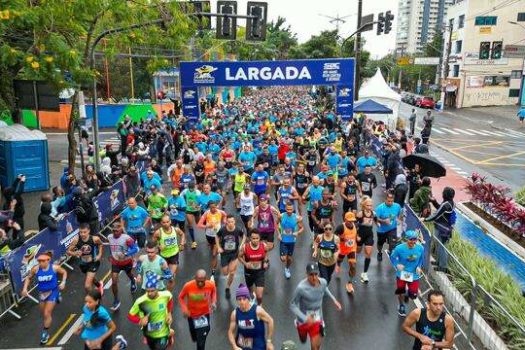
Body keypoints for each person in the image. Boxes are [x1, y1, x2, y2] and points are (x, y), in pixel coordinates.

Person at [290, 263, 342, 350]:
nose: (314, 277)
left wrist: (334, 300)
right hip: (303, 320)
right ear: (306, 274)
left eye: (316, 274)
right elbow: (292, 305)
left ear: (318, 273)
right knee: (303, 340)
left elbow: (325, 288)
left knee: (315, 347)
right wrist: (305, 318)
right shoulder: (301, 288)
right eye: (311, 275)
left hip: (317, 319)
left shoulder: (323, 282)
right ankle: (299, 328)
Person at [21, 251, 68, 345]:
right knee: (44, 314)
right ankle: (57, 298)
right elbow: (28, 278)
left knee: (47, 313)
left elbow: (64, 272)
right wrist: (25, 289)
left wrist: (63, 282)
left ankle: (45, 333)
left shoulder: (54, 268)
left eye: (43, 261)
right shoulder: (36, 269)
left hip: (53, 292)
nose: (41, 263)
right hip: (42, 293)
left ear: (48, 260)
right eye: (39, 261)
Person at [128, 274, 175, 350]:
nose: (149, 293)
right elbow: (130, 316)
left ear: (157, 288)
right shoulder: (141, 301)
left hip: (163, 331)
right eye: (148, 291)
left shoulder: (165, 295)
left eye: (152, 291)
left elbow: (170, 300)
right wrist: (140, 320)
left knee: (160, 348)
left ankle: (168, 335)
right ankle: (170, 334)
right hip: (149, 332)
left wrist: (169, 313)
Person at [227, 283, 275, 350]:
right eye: (239, 299)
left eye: (244, 299)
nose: (242, 302)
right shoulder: (235, 314)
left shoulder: (257, 311)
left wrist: (269, 341)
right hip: (242, 343)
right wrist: (234, 346)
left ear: (248, 299)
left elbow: (270, 321)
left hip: (257, 344)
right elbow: (230, 332)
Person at [178, 269, 217, 350]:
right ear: (195, 278)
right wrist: (184, 309)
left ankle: (203, 332)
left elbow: (214, 292)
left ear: (205, 279)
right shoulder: (188, 286)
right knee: (194, 337)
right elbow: (180, 297)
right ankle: (199, 334)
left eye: (202, 281)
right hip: (192, 315)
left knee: (201, 343)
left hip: (204, 315)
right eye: (198, 281)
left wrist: (213, 302)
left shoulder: (210, 284)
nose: (200, 283)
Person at [390, 230, 425, 317]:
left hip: (414, 274)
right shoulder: (399, 248)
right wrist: (397, 264)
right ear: (406, 239)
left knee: (413, 295)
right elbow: (392, 257)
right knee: (401, 291)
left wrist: (419, 267)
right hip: (402, 273)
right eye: (411, 239)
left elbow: (421, 259)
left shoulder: (420, 248)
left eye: (415, 240)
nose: (413, 242)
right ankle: (401, 305)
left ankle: (408, 294)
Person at [107, 222, 139, 311]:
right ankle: (116, 300)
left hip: (126, 262)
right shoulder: (109, 237)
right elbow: (111, 246)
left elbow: (135, 249)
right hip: (116, 262)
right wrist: (110, 255)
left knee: (129, 275)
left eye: (116, 231)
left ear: (121, 230)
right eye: (113, 231)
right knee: (114, 281)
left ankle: (133, 281)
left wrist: (126, 253)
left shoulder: (127, 239)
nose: (115, 232)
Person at [424, 187, 455, 272]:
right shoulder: (449, 203)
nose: (442, 193)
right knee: (439, 246)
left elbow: (436, 214)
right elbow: (440, 209)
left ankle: (443, 266)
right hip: (444, 228)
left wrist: (425, 219)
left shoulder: (446, 204)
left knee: (442, 247)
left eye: (443, 192)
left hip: (442, 229)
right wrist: (434, 202)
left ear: (445, 194)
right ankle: (438, 262)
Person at [67, 223, 104, 294]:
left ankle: (93, 299)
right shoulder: (76, 240)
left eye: (84, 232)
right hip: (83, 264)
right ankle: (99, 285)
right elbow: (68, 251)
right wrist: (74, 253)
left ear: (89, 231)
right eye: (81, 232)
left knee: (87, 286)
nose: (82, 234)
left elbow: (100, 244)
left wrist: (99, 255)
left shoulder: (94, 239)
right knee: (91, 278)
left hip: (93, 262)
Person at [153, 214, 185, 290]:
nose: (166, 224)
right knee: (161, 275)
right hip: (163, 257)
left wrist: (182, 243)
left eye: (167, 222)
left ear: (170, 221)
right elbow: (152, 243)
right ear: (161, 223)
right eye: (164, 222)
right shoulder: (158, 233)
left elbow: (182, 234)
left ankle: (168, 295)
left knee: (171, 278)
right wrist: (158, 246)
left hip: (174, 255)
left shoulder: (175, 229)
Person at [216, 215, 245, 299]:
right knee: (225, 273)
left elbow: (243, 236)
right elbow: (217, 237)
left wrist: (241, 245)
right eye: (229, 222)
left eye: (232, 222)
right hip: (224, 253)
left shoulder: (237, 229)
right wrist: (218, 247)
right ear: (226, 222)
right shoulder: (223, 229)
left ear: (234, 222)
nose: (230, 223)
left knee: (232, 272)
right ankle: (228, 274)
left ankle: (227, 287)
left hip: (234, 253)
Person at [239, 229, 269, 305]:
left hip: (260, 272)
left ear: (259, 238)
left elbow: (266, 253)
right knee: (250, 291)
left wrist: (265, 262)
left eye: (257, 238)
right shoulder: (245, 247)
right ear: (250, 238)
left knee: (259, 296)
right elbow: (239, 256)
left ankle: (259, 306)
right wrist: (245, 263)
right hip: (249, 272)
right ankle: (252, 297)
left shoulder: (264, 246)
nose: (255, 240)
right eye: (253, 238)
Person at [197, 201, 227, 275]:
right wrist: (207, 226)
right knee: (212, 249)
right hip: (209, 235)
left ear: (217, 206)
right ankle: (216, 252)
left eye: (214, 207)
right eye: (211, 208)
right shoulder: (206, 213)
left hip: (217, 235)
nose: (213, 209)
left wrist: (224, 221)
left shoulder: (221, 212)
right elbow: (199, 225)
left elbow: (225, 216)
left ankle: (213, 271)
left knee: (214, 254)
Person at [334, 212, 358, 294]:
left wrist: (358, 237)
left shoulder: (355, 225)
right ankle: (338, 264)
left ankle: (349, 283)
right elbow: (334, 236)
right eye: (350, 221)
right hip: (342, 249)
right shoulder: (341, 227)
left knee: (353, 265)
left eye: (353, 221)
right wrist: (341, 239)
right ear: (345, 220)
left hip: (352, 249)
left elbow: (356, 233)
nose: (352, 223)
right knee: (340, 260)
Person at [278, 202, 304, 279]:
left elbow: (302, 228)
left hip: (292, 240)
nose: (289, 211)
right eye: (288, 209)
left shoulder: (296, 218)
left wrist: (297, 232)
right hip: (283, 240)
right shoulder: (281, 216)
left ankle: (287, 268)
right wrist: (279, 234)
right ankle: (283, 257)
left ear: (293, 209)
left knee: (289, 259)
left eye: (291, 209)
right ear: (285, 208)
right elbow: (276, 224)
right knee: (283, 259)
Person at [375, 192, 403, 261]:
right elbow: (375, 218)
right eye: (388, 201)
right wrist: (384, 221)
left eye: (392, 201)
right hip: (382, 230)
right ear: (385, 200)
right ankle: (379, 252)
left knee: (393, 243)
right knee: (380, 243)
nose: (390, 202)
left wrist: (399, 220)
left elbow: (400, 214)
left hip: (392, 228)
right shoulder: (380, 208)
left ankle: (391, 254)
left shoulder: (397, 206)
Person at [355, 196, 376, 283]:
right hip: (360, 235)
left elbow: (376, 220)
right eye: (368, 205)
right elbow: (354, 226)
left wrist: (378, 223)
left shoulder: (373, 213)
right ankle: (353, 258)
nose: (369, 207)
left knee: (368, 253)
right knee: (358, 251)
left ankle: (364, 273)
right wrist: (356, 236)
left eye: (371, 205)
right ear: (364, 206)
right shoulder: (360, 214)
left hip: (369, 235)